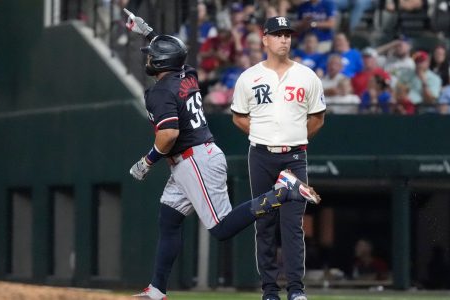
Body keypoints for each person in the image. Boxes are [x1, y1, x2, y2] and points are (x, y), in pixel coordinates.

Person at [125, 12, 321, 300]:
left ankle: (281, 192)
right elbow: (175, 56)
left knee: (221, 227)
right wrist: (150, 34)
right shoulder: (187, 75)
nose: (148, 59)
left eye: (152, 55)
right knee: (169, 219)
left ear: (161, 62)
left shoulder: (160, 92)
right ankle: (157, 289)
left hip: (193, 160)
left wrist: (147, 161)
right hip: (195, 157)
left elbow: (168, 136)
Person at [231, 16, 326, 300]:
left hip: (294, 158)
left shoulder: (307, 75)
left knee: (293, 225)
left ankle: (296, 291)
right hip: (260, 155)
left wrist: (294, 139)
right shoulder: (249, 76)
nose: (284, 39)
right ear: (265, 39)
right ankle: (270, 291)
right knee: (264, 223)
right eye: (278, 34)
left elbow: (318, 118)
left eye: (287, 34)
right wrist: (264, 134)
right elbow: (237, 116)